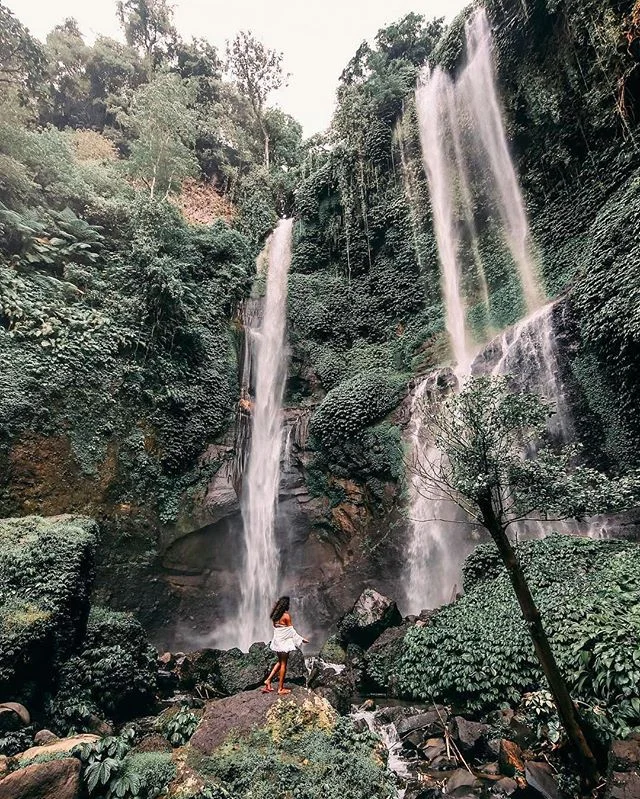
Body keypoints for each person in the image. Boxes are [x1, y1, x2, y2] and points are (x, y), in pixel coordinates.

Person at [262, 596, 308, 695]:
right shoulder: (286, 616)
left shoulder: (274, 617)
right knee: (283, 664)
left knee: (279, 662)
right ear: (286, 605)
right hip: (283, 643)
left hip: (277, 642)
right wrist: (301, 639)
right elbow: (291, 631)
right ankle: (280, 688)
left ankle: (268, 680)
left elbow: (278, 629)